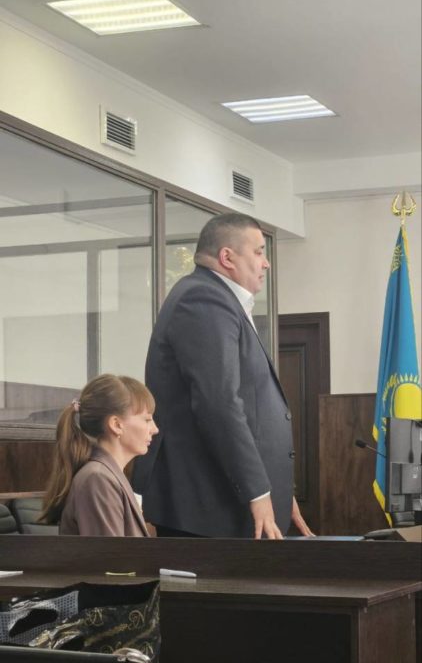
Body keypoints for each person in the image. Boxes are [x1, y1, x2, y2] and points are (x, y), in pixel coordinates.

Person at [132, 212, 313, 539]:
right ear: (227, 257)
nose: (266, 263)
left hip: (226, 503)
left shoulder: (220, 299)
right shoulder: (203, 298)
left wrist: (277, 491)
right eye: (258, 252)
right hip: (209, 508)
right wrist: (257, 491)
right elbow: (218, 403)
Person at [41, 373, 159, 536]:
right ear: (116, 425)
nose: (155, 429)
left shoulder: (105, 475)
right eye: (147, 419)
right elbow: (111, 552)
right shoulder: (98, 478)